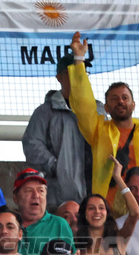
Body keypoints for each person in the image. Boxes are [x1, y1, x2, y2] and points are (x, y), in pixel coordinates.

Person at [65, 32, 139, 214]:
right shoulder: (99, 132)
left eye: (124, 98)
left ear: (133, 104)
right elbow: (83, 106)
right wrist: (79, 59)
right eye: (114, 99)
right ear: (105, 107)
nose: (120, 102)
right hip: (111, 214)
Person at [23, 66, 89, 208]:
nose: (77, 77)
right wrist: (55, 166)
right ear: (59, 77)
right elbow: (32, 144)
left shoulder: (97, 110)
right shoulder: (44, 112)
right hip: (57, 197)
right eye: (71, 72)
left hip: (93, 199)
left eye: (82, 74)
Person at [9, 167, 75, 255]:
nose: (36, 195)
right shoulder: (7, 224)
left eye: (41, 190)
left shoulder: (59, 224)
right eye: (28, 190)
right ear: (15, 198)